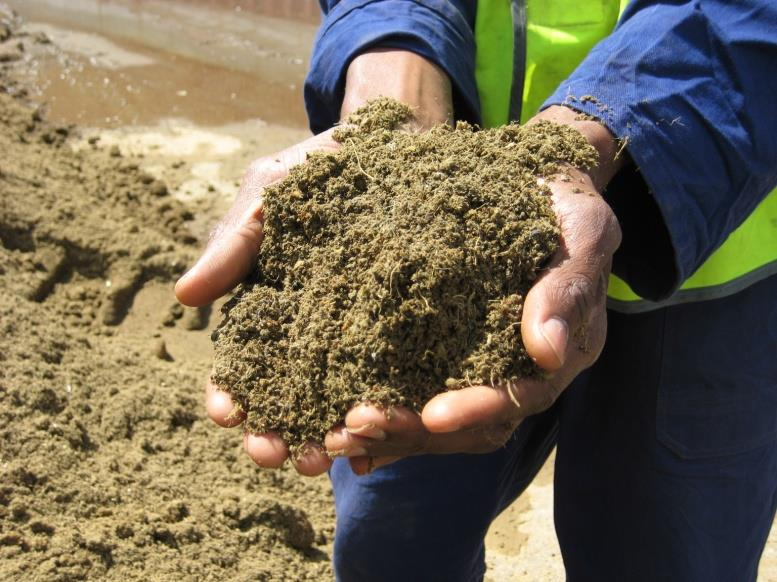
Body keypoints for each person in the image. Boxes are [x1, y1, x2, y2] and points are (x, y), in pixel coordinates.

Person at [175, 1, 777, 580]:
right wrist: (394, 58)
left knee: (666, 555)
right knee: (388, 541)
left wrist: (599, 130)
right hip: (473, 165)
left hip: (710, 245)